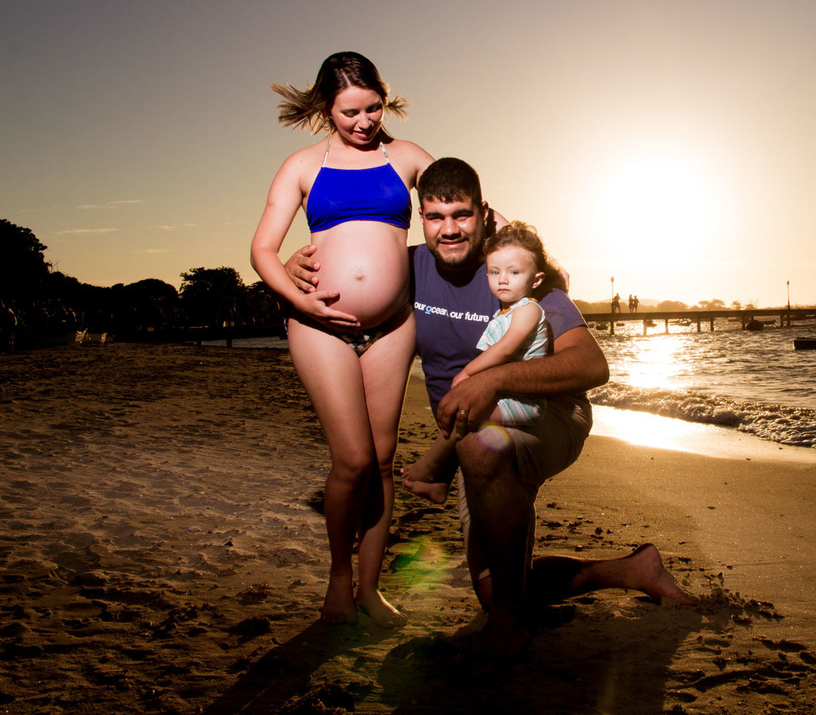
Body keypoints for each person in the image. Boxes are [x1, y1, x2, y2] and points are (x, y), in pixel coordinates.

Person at [285, 157, 694, 653]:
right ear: (420, 218)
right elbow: (355, 280)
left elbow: (592, 366)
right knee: (491, 587)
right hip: (468, 432)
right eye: (435, 218)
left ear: (483, 213)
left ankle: (510, 625)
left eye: (461, 215)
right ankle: (631, 570)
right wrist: (296, 271)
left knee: (478, 447)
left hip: (549, 417)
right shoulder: (412, 268)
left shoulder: (513, 269)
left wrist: (493, 381)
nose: (449, 230)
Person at [250, 51, 433, 627]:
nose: (364, 122)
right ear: (326, 108)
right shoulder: (303, 164)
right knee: (352, 459)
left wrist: (516, 237)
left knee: (382, 458)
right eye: (350, 111)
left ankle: (370, 590)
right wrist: (298, 297)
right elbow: (262, 249)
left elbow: (460, 201)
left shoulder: (403, 156)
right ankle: (337, 581)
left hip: (394, 325)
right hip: (318, 324)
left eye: (373, 108)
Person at [400, 221, 566, 505]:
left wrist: (468, 372)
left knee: (467, 415)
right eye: (494, 272)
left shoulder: (528, 309)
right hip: (508, 395)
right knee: (464, 412)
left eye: (514, 273)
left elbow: (504, 350)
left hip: (526, 403)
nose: (503, 279)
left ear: (536, 280)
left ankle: (432, 468)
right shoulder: (504, 312)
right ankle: (441, 480)